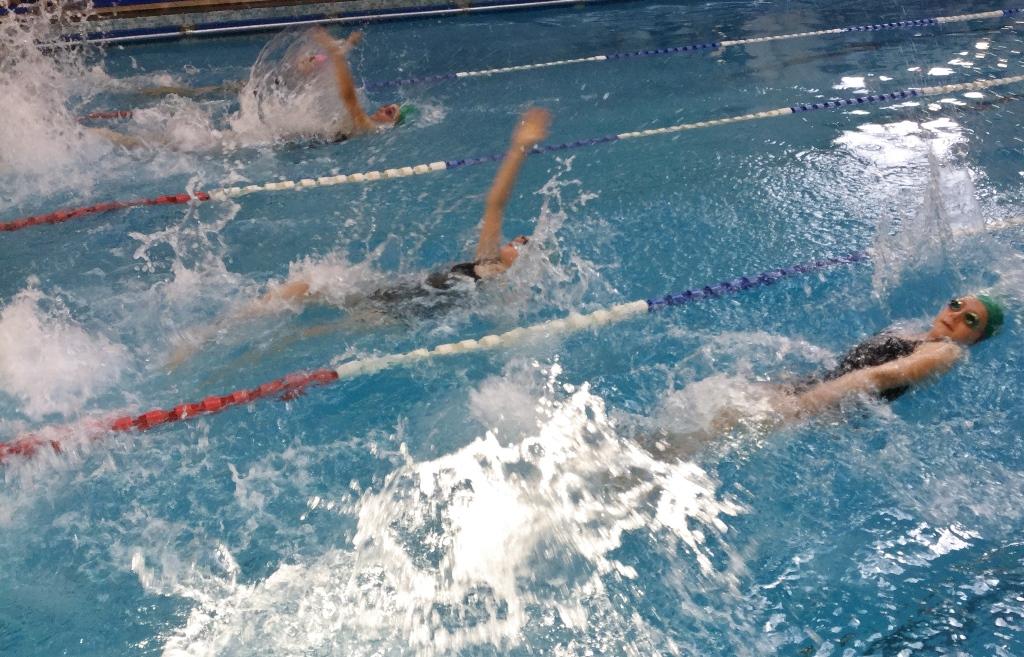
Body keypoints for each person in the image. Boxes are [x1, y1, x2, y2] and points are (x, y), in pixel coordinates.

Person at [169, 107, 550, 364]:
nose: (516, 240)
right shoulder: (484, 263)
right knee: (303, 285)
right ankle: (210, 333)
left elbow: (506, 323)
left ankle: (243, 365)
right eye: (520, 237)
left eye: (522, 245)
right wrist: (518, 148)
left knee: (310, 335)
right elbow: (494, 206)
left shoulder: (494, 277)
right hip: (387, 289)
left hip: (395, 315)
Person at [647, 294, 1007, 458]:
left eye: (970, 321)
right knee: (719, 405)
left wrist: (804, 404)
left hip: (826, 407)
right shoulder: (923, 335)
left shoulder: (945, 351)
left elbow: (879, 377)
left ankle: (640, 473)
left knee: (722, 421)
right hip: (817, 388)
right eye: (956, 305)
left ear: (976, 338)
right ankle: (647, 455)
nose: (956, 316)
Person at [91, 26, 405, 149]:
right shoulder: (359, 121)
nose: (388, 108)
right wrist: (341, 49)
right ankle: (122, 140)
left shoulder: (366, 128)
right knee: (206, 138)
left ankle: (119, 141)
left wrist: (337, 54)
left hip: (271, 141)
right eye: (390, 105)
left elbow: (347, 97)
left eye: (393, 113)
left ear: (391, 125)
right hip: (277, 136)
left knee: (203, 143)